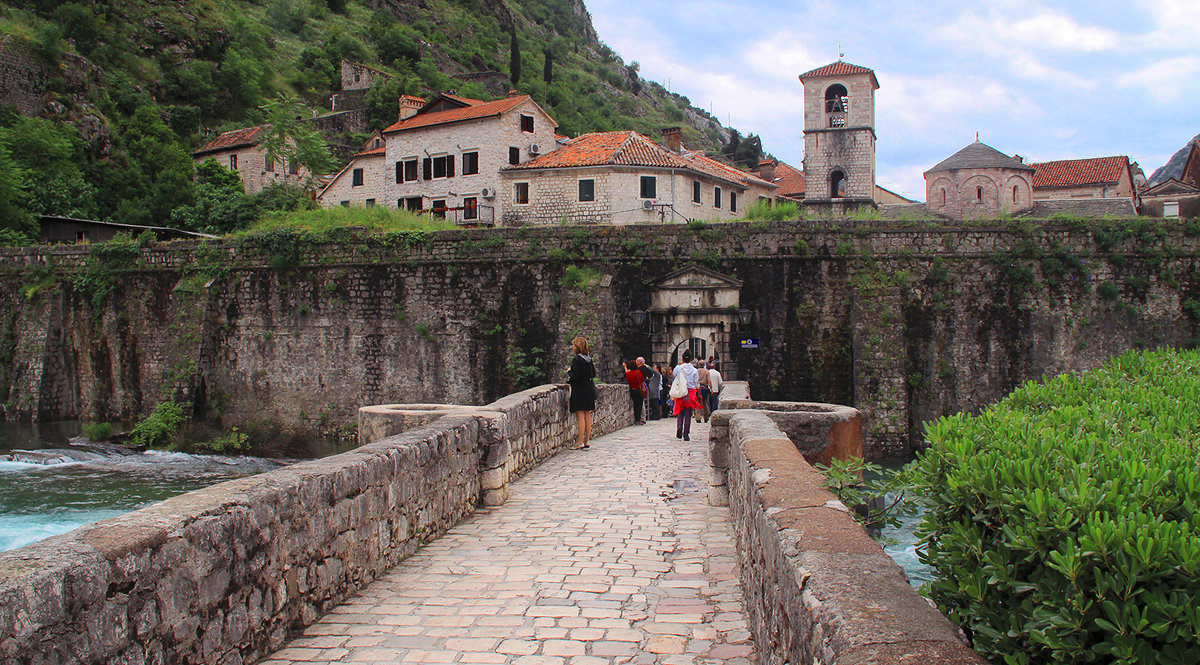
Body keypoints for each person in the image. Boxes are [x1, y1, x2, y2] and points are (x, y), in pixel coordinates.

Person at [567, 337, 596, 449]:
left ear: (577, 347)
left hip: (579, 389)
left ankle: (579, 442)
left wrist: (569, 372)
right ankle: (587, 440)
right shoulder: (589, 359)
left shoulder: (577, 359)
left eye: (574, 345)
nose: (573, 347)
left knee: (580, 416)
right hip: (588, 388)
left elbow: (575, 376)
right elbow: (593, 374)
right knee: (587, 415)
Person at [673, 350, 703, 441]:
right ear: (690, 359)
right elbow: (697, 383)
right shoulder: (694, 370)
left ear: (682, 358)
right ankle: (686, 433)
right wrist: (699, 394)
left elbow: (674, 375)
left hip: (681, 391)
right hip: (690, 393)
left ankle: (679, 426)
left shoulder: (678, 368)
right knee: (688, 414)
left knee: (680, 411)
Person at [622, 360, 646, 424]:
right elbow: (643, 379)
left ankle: (636, 420)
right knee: (639, 405)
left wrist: (625, 367)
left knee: (635, 404)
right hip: (639, 390)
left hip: (632, 390)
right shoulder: (638, 372)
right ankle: (638, 419)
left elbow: (626, 372)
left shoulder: (628, 374)